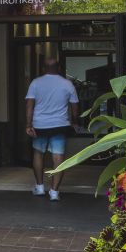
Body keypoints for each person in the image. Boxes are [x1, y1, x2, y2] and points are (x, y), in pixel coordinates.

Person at [26, 56, 80, 200]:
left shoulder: (35, 83)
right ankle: (54, 192)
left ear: (43, 68)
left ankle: (39, 187)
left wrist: (28, 124)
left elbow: (29, 106)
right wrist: (75, 122)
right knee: (58, 157)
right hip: (60, 125)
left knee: (38, 153)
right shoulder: (67, 84)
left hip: (40, 125)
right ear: (59, 68)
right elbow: (75, 106)